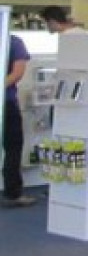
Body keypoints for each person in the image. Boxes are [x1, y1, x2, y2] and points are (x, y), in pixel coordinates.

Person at [3, 32, 35, 207]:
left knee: (13, 147)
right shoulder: (14, 42)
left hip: (6, 103)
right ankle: (13, 194)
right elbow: (17, 73)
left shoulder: (13, 42)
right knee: (13, 147)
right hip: (6, 102)